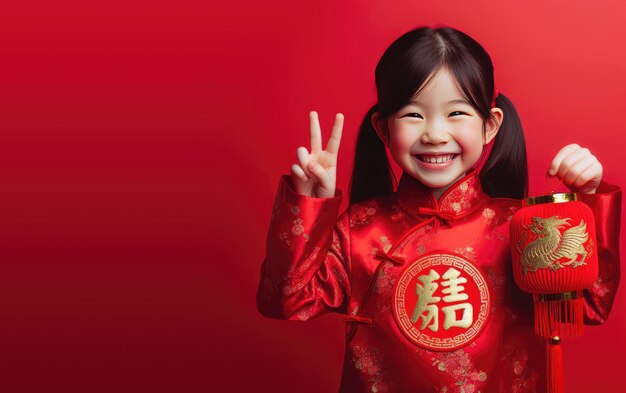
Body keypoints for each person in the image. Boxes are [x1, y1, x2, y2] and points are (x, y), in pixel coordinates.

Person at [256, 26, 621, 392]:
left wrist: (589, 196)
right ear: (383, 129)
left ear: (490, 125)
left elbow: (590, 305)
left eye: (456, 113)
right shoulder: (361, 230)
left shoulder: (520, 227)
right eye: (413, 115)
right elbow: (287, 299)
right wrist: (310, 203)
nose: (434, 134)